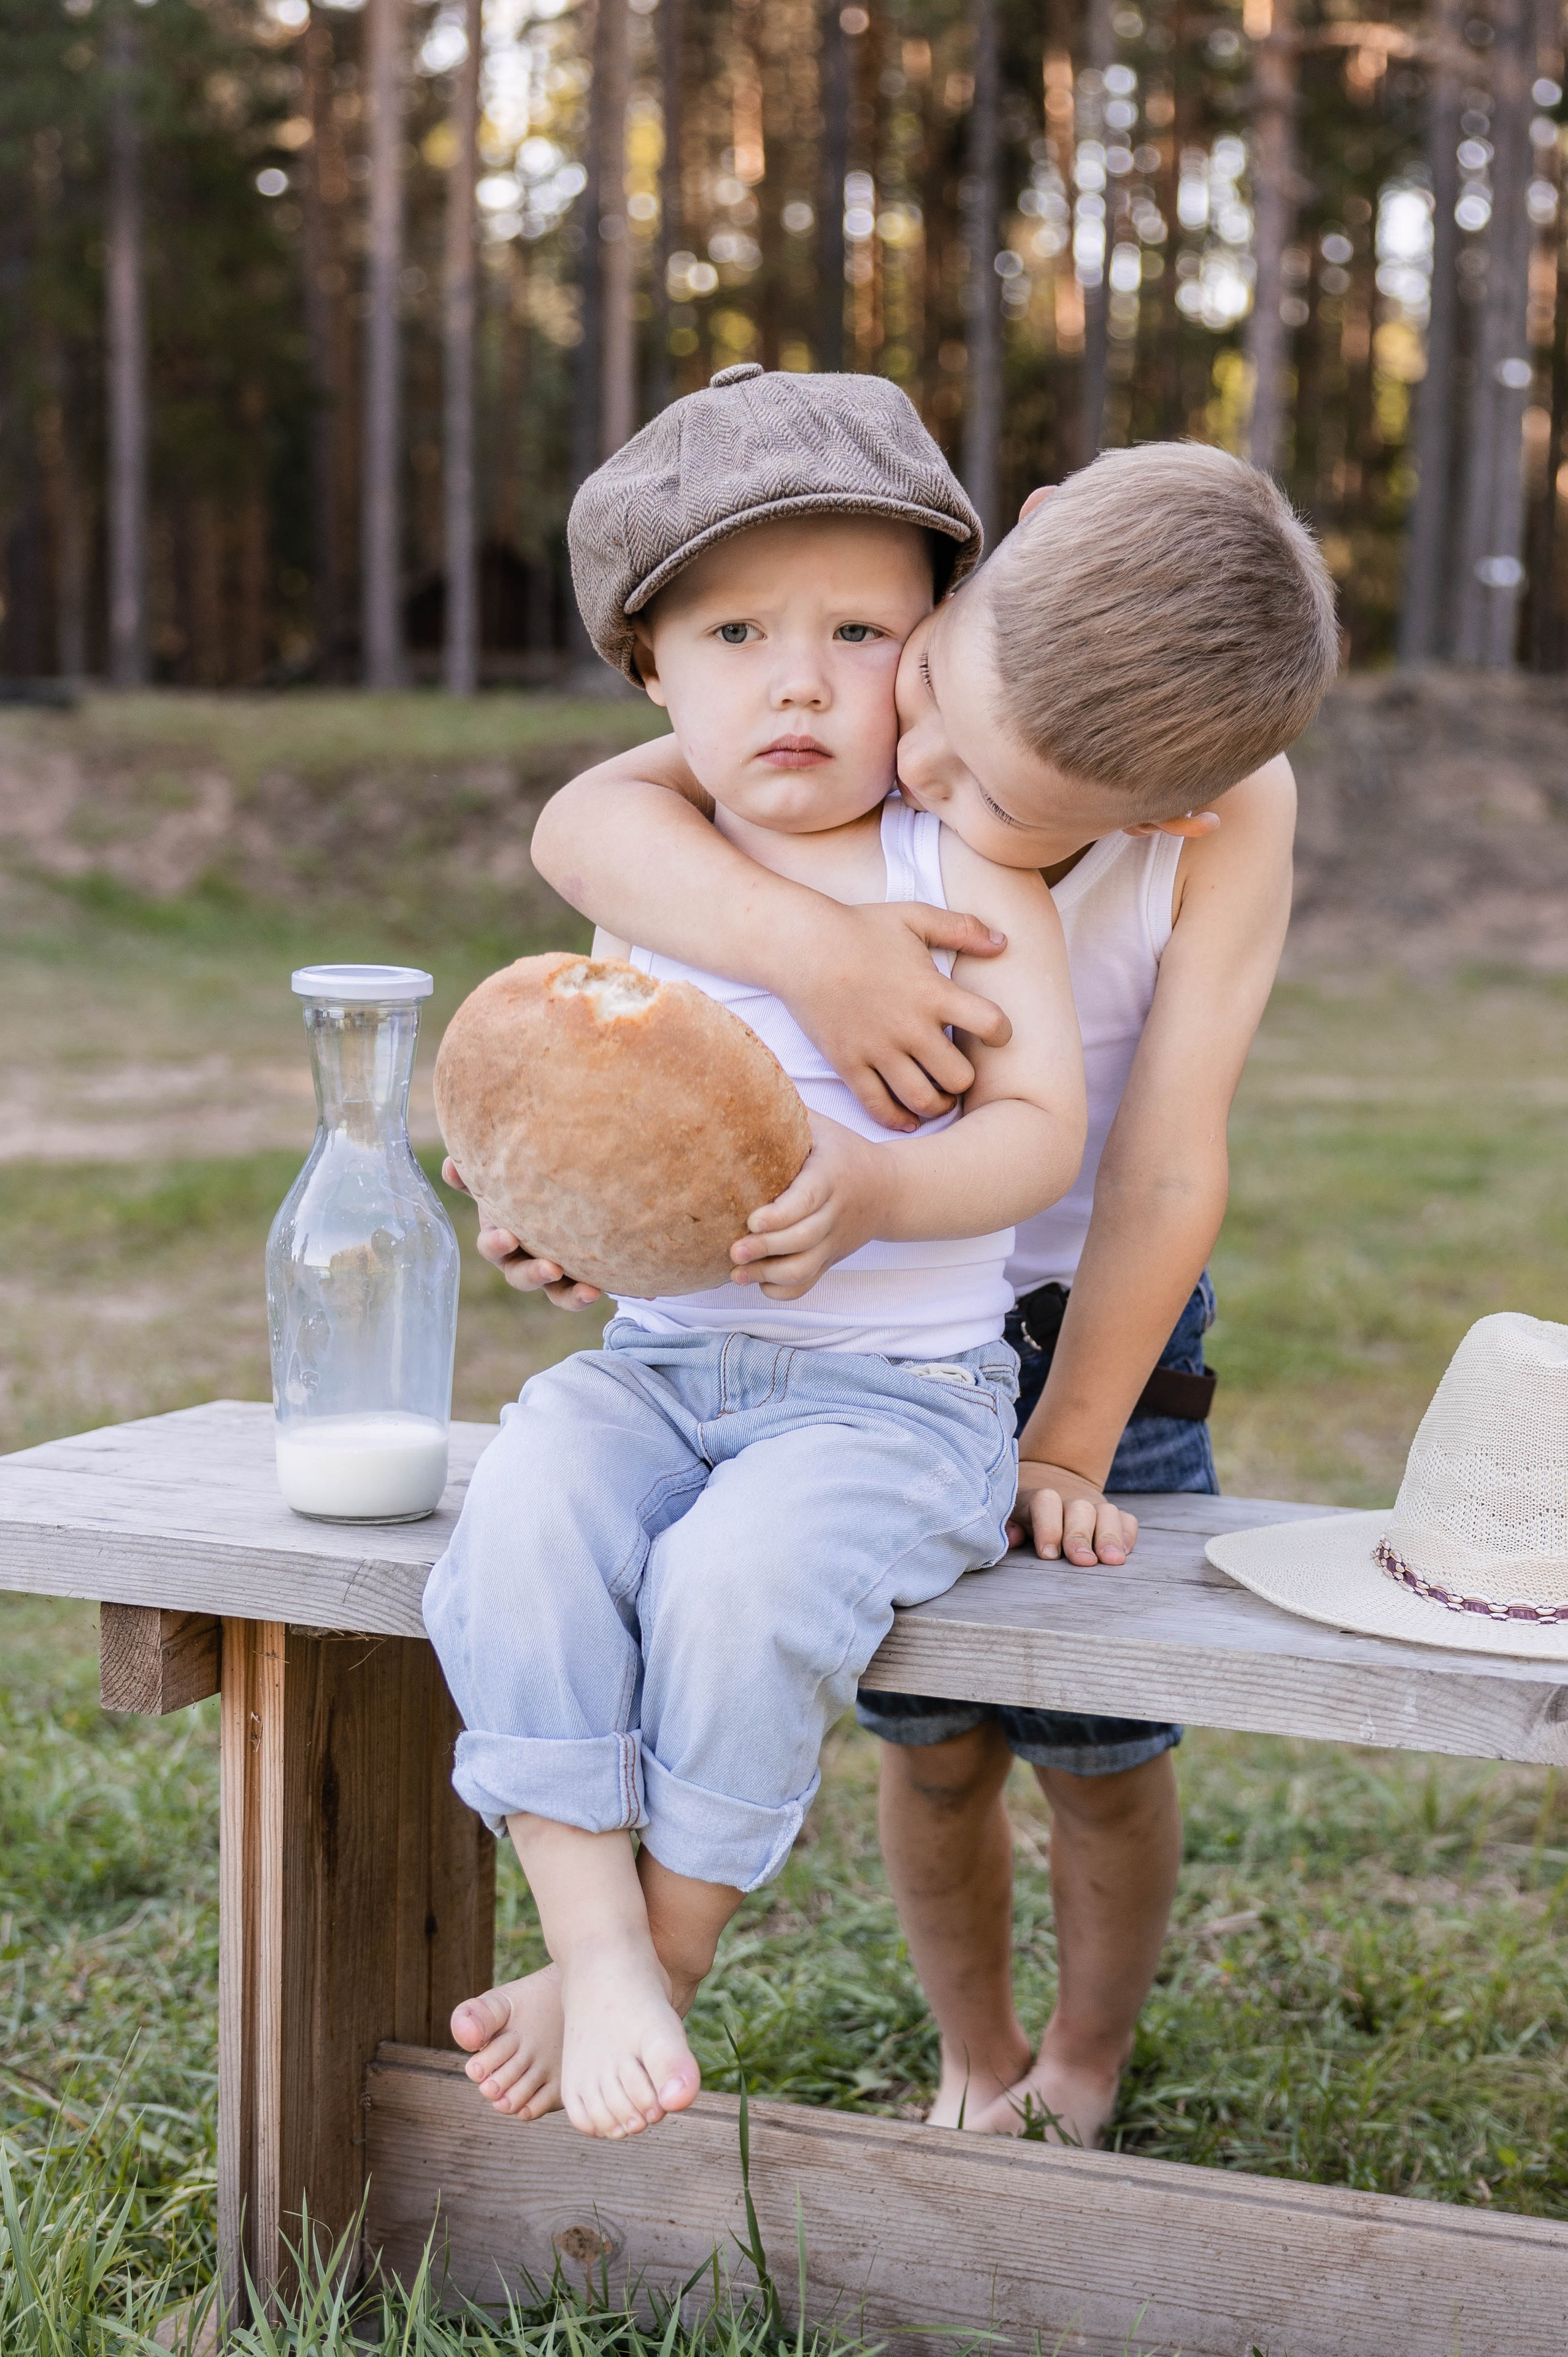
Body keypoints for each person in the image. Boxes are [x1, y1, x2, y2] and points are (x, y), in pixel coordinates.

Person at [512, 407, 1340, 2149]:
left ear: (1163, 812)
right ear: (1002, 553)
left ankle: (1091, 2056)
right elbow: (595, 821)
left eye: (997, 800)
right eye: (940, 716)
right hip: (848, 1323)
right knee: (929, 1734)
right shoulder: (867, 700)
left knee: (1099, 1744)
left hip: (1093, 1319)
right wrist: (819, 958)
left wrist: (1073, 1437)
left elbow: (1167, 1157)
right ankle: (974, 2051)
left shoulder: (1228, 805)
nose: (926, 775)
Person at [424, 364, 1089, 2144]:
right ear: (653, 669)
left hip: (891, 1402)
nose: (797, 676)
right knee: (532, 1493)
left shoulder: (964, 863)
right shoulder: (647, 873)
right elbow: (585, 1122)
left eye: (859, 627)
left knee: (738, 1581)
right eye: (733, 631)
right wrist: (545, 1220)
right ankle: (587, 1924)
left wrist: (877, 1190)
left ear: (936, 650)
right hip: (660, 1369)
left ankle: (665, 1947)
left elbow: (1041, 1134)